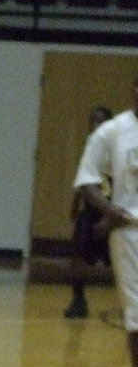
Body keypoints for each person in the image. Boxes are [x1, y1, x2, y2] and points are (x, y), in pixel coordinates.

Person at [72, 79, 138, 367]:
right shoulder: (111, 133)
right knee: (136, 317)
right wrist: (109, 211)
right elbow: (86, 181)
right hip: (129, 233)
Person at [64, 105, 113, 319]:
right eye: (92, 121)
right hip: (91, 208)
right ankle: (78, 299)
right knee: (78, 254)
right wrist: (75, 204)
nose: (95, 125)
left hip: (114, 210)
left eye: (100, 120)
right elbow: (84, 177)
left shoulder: (118, 146)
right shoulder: (90, 146)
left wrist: (110, 217)